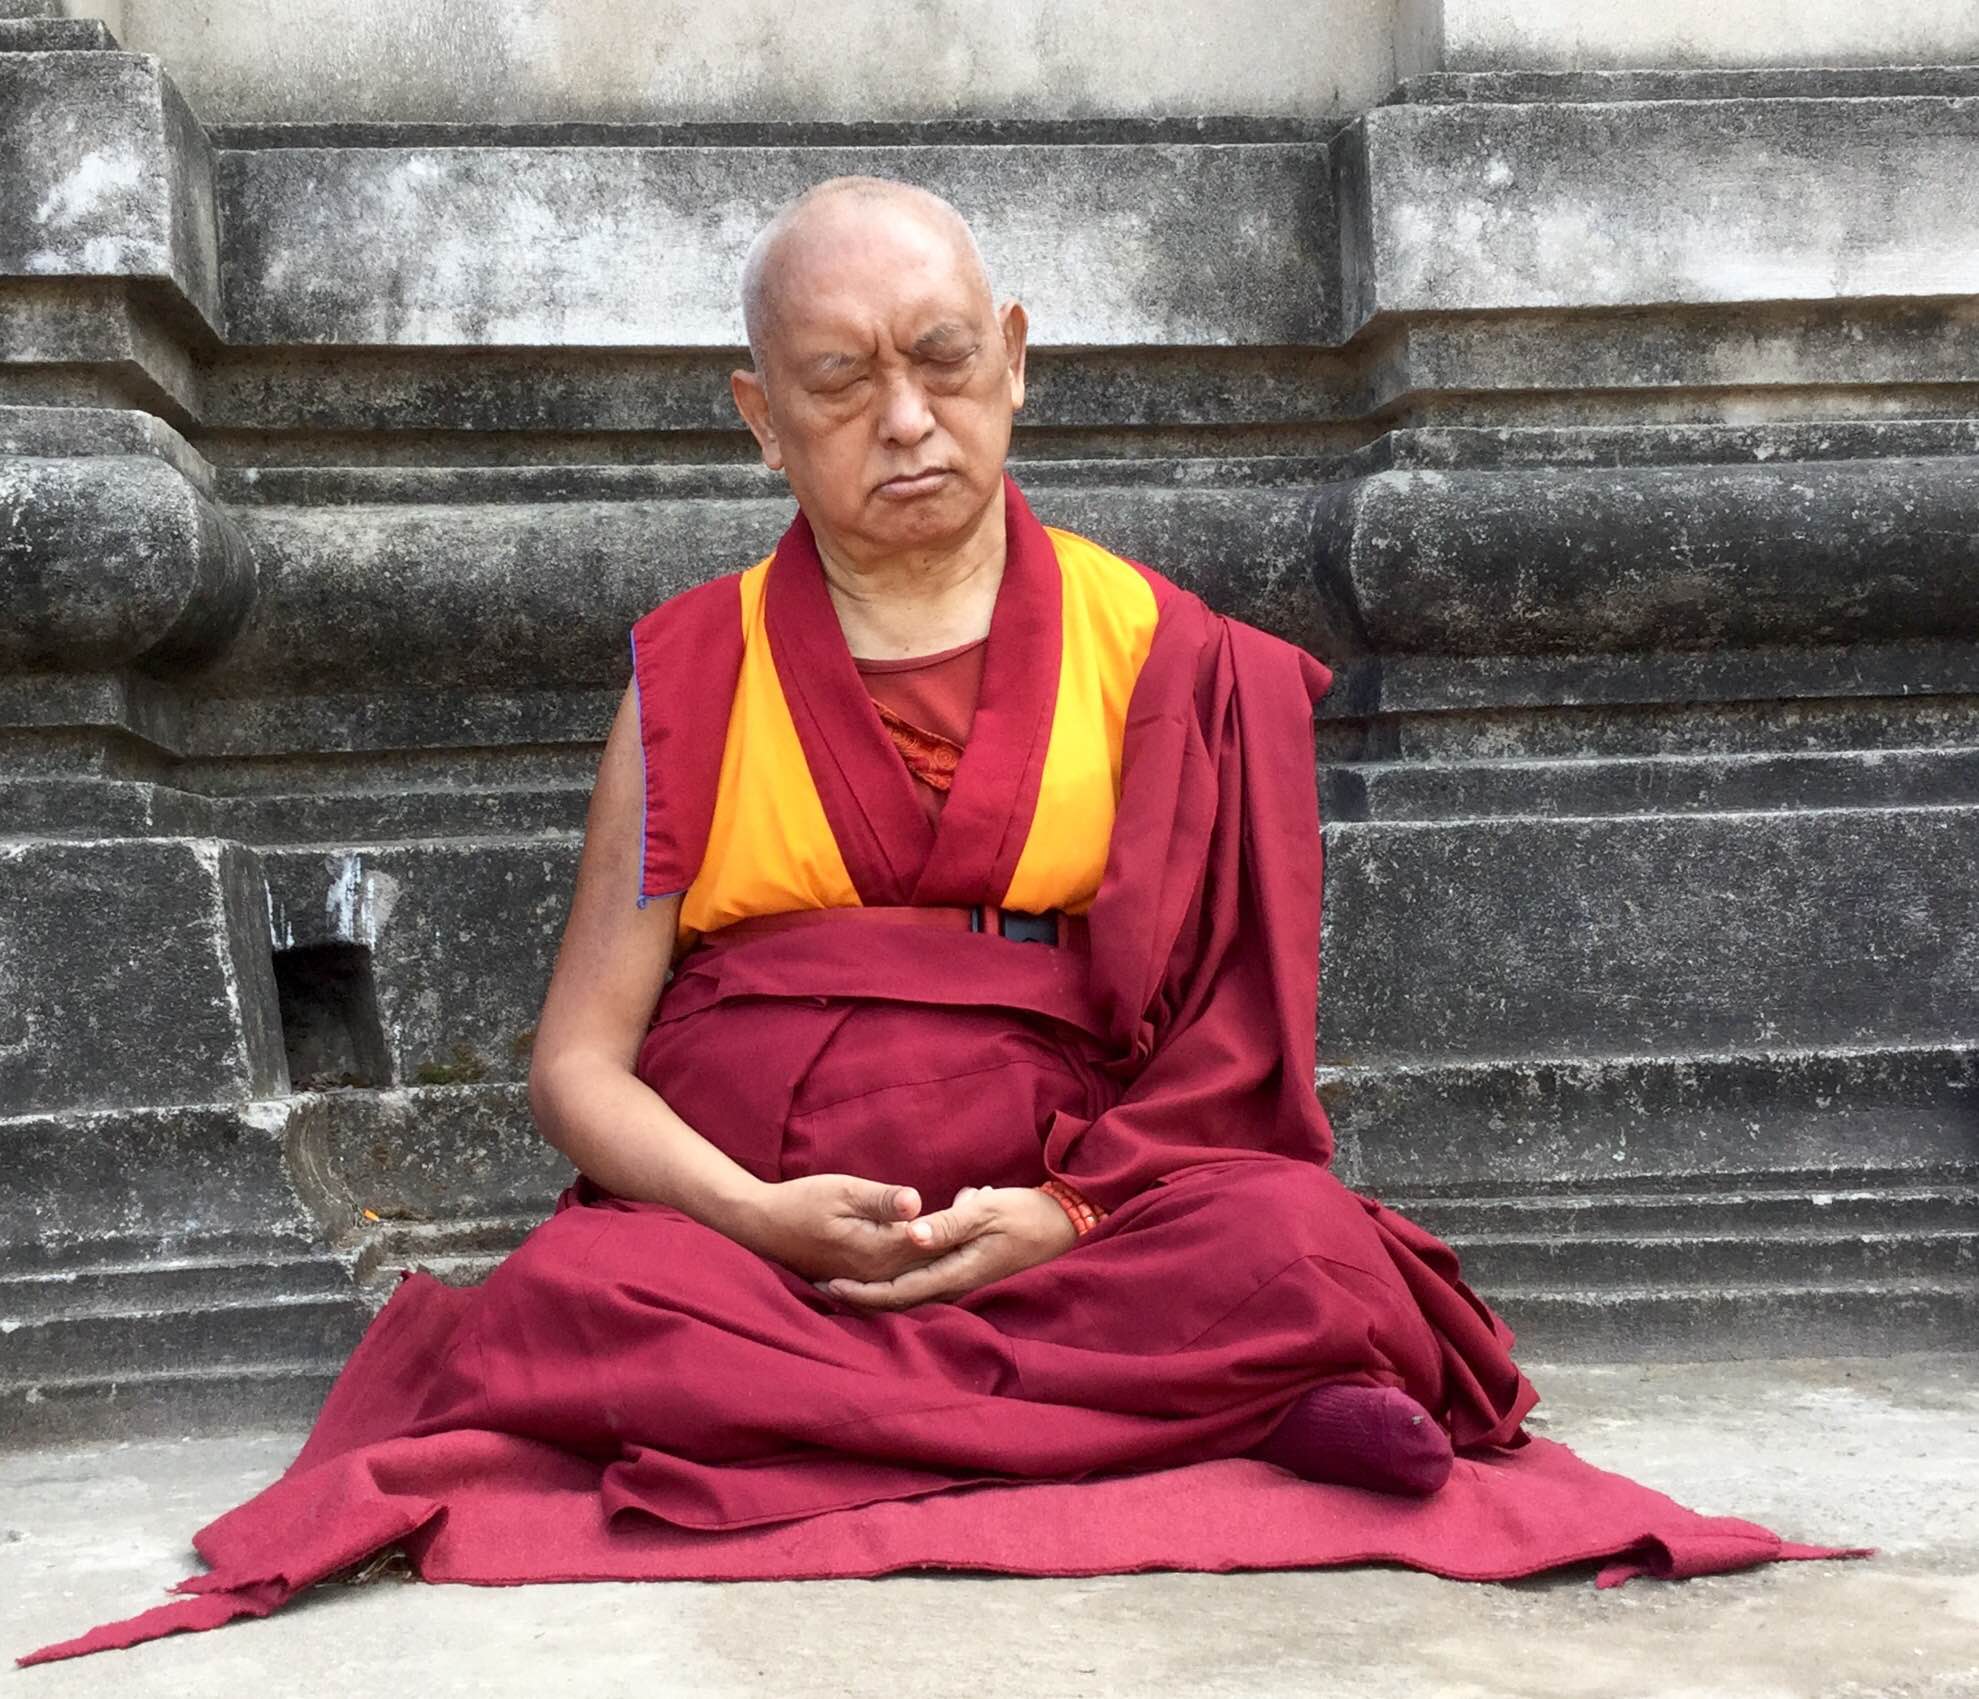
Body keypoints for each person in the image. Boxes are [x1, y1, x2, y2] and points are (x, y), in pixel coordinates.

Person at [19, 178, 1862, 1669]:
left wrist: (1061, 1211)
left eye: (942, 362)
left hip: (1075, 1214)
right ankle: (1183, 1419)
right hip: (761, 1242)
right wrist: (748, 1214)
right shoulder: (694, 668)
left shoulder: (1173, 657)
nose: (904, 420)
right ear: (759, 419)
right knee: (581, 1292)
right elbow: (580, 1066)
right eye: (836, 382)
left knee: (1310, 1248)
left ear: (1018, 366)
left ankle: (905, 1415)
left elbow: (1227, 1049)